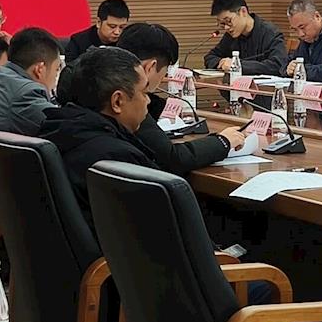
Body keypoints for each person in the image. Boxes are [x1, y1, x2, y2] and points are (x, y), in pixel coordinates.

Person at [41, 47, 243, 221]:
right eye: (144, 93)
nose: (148, 101)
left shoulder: (57, 131)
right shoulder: (119, 159)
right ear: (117, 101)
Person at [117, 22, 239, 158]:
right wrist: (223, 141)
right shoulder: (129, 100)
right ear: (151, 67)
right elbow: (172, 158)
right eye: (166, 71)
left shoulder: (108, 81)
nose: (164, 77)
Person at [203, 0, 289, 76]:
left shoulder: (270, 33)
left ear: (243, 11)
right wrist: (221, 62)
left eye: (228, 21)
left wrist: (237, 65)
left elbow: (278, 65)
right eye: (222, 24)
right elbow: (210, 57)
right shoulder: (231, 35)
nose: (226, 27)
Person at [66, 0, 131, 61]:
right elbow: (70, 66)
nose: (117, 32)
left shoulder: (128, 41)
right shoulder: (78, 42)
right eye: (112, 26)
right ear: (99, 22)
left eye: (122, 27)